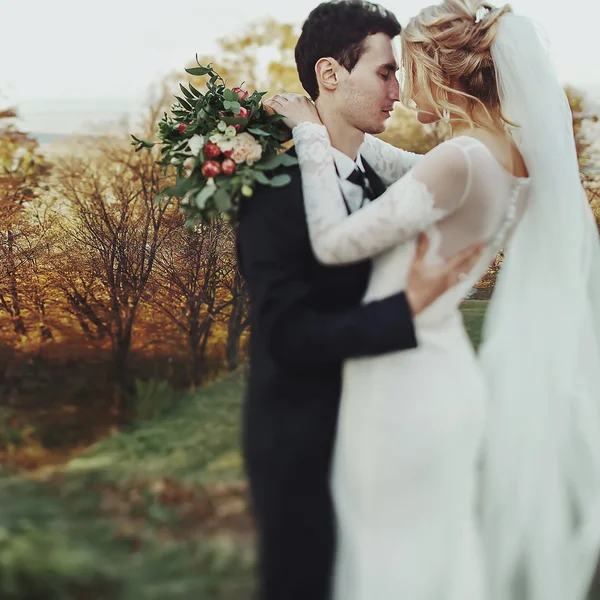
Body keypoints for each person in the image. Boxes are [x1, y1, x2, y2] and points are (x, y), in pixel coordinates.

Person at [265, 1, 600, 599]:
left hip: (400, 390)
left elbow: (333, 244)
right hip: (439, 373)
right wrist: (335, 128)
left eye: (404, 68)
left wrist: (310, 134)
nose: (398, 84)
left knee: (391, 563)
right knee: (433, 559)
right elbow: (402, 167)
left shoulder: (460, 160)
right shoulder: (505, 158)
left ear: (435, 71)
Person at [235, 2, 484, 599]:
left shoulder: (378, 177)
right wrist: (405, 311)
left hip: (376, 439)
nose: (397, 90)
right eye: (385, 73)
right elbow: (286, 337)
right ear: (330, 75)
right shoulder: (273, 187)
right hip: (302, 448)